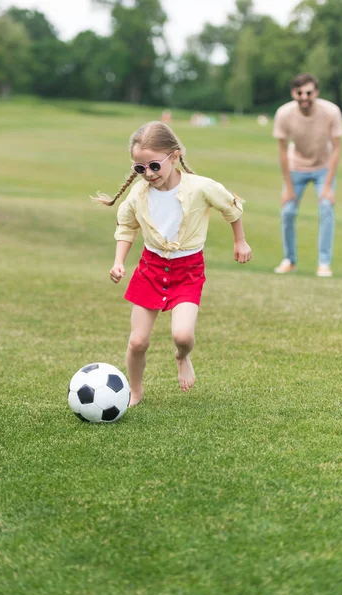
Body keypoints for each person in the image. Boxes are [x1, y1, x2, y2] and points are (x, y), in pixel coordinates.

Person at [92, 121, 252, 406]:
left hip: (188, 270)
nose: (148, 174)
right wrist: (118, 261)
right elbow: (126, 227)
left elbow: (231, 207)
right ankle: (136, 391)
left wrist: (240, 241)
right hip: (150, 268)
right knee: (137, 342)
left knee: (182, 335)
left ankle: (183, 357)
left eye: (154, 166)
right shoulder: (138, 195)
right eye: (139, 169)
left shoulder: (200, 188)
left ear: (174, 156)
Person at [273, 73, 342, 277]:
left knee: (326, 207)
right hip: (296, 167)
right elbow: (282, 151)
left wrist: (328, 186)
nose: (304, 97)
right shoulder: (284, 114)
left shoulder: (331, 111)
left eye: (308, 92)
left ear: (316, 92)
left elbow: (337, 149)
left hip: (323, 167)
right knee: (287, 211)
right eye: (299, 93)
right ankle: (289, 260)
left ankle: (324, 263)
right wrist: (288, 187)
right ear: (293, 93)